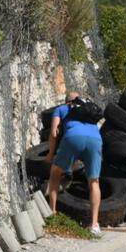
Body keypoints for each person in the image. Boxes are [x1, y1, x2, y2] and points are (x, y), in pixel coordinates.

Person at [46, 91, 104, 235]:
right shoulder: (89, 110)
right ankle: (94, 225)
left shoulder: (61, 109)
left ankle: (52, 213)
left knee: (55, 173)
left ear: (66, 101)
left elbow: (54, 133)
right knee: (94, 182)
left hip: (73, 137)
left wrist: (50, 154)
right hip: (95, 140)